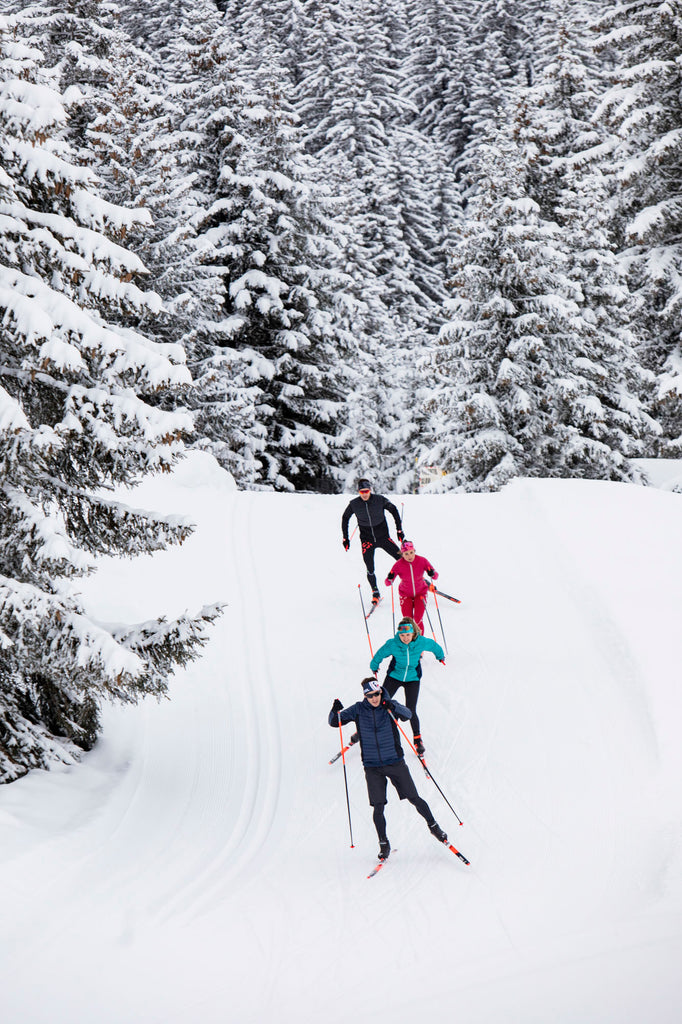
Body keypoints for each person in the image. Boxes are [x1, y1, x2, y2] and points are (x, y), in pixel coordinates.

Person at [328, 677, 447, 860]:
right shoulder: (359, 710)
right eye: (370, 696)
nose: (374, 698)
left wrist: (393, 706)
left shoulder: (389, 706)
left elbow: (408, 715)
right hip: (372, 767)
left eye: (376, 694)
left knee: (414, 798)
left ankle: (434, 827)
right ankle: (383, 843)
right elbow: (335, 722)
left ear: (381, 692)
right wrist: (334, 710)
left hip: (395, 762)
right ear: (365, 696)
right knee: (378, 807)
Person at [369, 616, 444, 757]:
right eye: (402, 635)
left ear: (413, 633)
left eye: (408, 635)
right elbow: (380, 653)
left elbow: (434, 646)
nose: (405, 638)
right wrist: (374, 665)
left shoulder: (421, 642)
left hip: (413, 679)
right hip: (394, 677)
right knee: (379, 702)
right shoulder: (393, 643)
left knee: (411, 709)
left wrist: (440, 656)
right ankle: (367, 728)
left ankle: (417, 739)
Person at [341, 478, 403, 604]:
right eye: (361, 492)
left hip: (383, 537)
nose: (364, 494)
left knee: (402, 559)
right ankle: (375, 592)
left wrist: (399, 530)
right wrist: (345, 538)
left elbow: (394, 510)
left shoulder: (379, 500)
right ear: (358, 492)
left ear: (370, 490)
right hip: (367, 540)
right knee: (370, 568)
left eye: (366, 491)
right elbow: (345, 518)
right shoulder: (354, 504)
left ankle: (420, 581)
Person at [385, 540, 438, 633]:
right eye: (406, 554)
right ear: (402, 554)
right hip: (405, 594)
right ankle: (408, 641)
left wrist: (432, 573)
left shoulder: (422, 561)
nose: (409, 556)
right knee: (407, 620)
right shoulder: (398, 564)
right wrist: (390, 577)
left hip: (421, 593)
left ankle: (419, 640)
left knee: (418, 619)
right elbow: (387, 583)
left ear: (414, 551)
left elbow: (435, 576)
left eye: (411, 552)